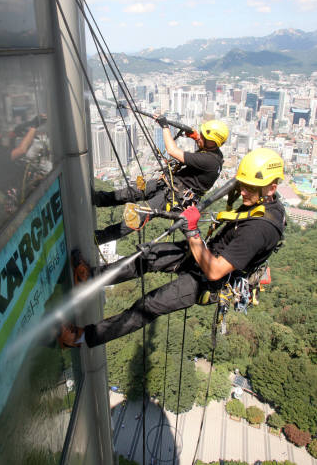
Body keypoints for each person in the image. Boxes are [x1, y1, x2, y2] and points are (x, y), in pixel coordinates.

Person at [59, 148, 285, 349]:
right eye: (242, 185)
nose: (244, 192)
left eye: (250, 188)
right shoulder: (263, 203)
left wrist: (193, 231)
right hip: (204, 254)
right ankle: (90, 276)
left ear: (271, 188)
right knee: (149, 256)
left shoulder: (260, 229)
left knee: (149, 305)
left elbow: (215, 271)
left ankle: (81, 337)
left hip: (208, 279)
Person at [94, 117, 229, 244]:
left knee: (138, 217)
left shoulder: (209, 161)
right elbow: (201, 147)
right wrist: (196, 137)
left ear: (211, 142)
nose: (199, 137)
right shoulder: (215, 153)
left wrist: (165, 126)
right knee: (129, 193)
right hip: (167, 184)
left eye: (203, 136)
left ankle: (100, 237)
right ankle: (97, 199)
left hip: (173, 198)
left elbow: (172, 150)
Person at [0, 115, 46, 212]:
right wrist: (34, 126)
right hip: (20, 198)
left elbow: (10, 155)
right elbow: (21, 150)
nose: (0, 136)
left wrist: (15, 134)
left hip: (24, 189)